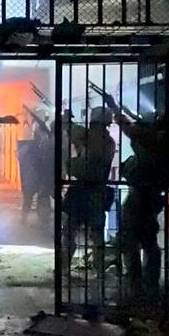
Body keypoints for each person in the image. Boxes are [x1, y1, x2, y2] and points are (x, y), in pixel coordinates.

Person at [116, 110, 169, 299]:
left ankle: (137, 285)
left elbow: (134, 134)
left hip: (142, 196)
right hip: (150, 196)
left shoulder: (160, 142)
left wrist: (119, 116)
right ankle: (148, 284)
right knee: (147, 240)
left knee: (131, 240)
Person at [61, 106, 116, 315]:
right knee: (95, 234)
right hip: (96, 192)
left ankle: (65, 270)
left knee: (71, 231)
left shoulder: (91, 138)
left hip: (84, 190)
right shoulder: (108, 142)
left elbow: (72, 132)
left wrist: (67, 120)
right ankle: (97, 272)